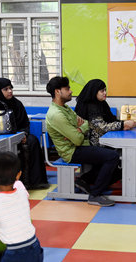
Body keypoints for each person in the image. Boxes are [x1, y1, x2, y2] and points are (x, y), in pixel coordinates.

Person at [46, 76, 119, 207]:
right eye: (67, 88)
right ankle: (95, 195)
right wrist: (80, 130)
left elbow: (86, 123)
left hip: (79, 145)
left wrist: (80, 128)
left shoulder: (65, 108)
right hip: (71, 151)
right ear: (58, 91)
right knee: (112, 157)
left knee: (115, 160)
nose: (71, 91)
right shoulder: (56, 114)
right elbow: (78, 139)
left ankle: (84, 181)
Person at [0, 78, 49, 189]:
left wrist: (23, 134)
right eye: (6, 89)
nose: (10, 91)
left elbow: (25, 123)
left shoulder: (17, 104)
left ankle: (35, 181)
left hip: (18, 136)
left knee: (33, 141)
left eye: (11, 88)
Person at [74, 79, 136, 146]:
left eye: (105, 90)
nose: (105, 93)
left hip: (102, 140)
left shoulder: (102, 103)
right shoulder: (90, 106)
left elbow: (111, 120)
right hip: (91, 144)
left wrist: (124, 124)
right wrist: (122, 125)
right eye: (102, 91)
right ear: (94, 92)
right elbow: (101, 127)